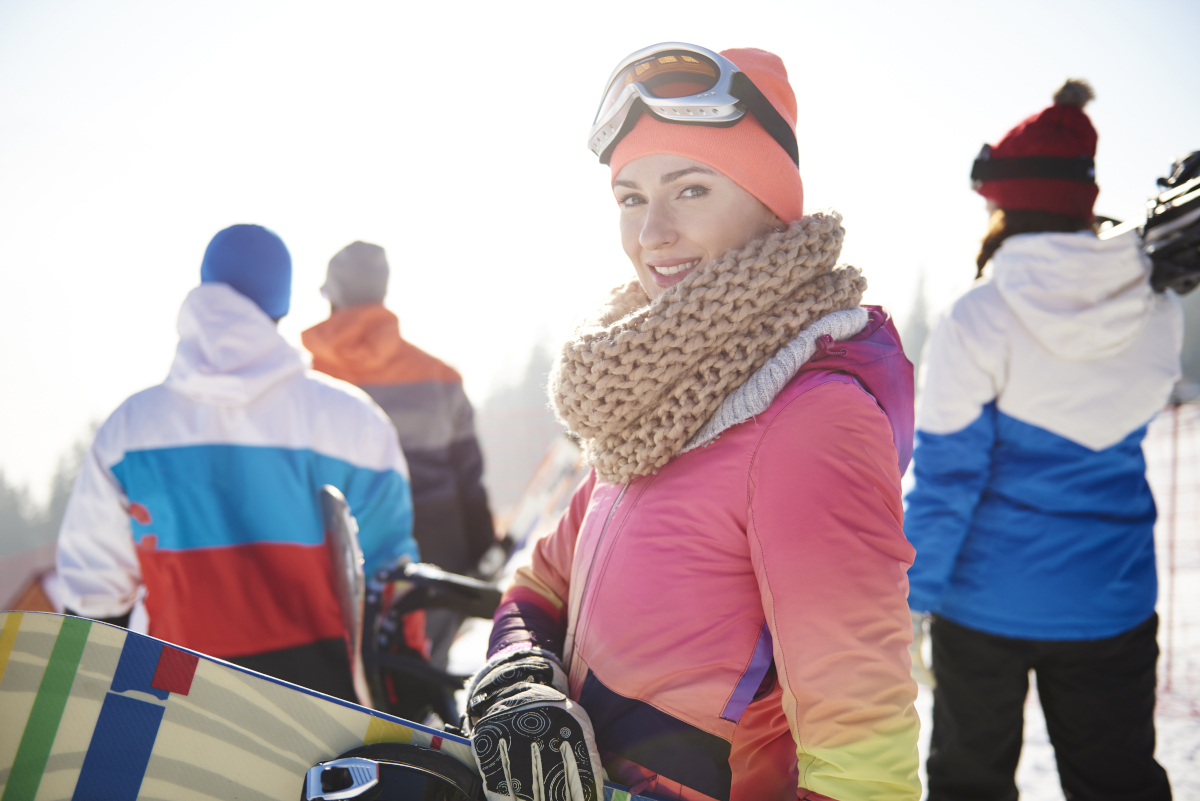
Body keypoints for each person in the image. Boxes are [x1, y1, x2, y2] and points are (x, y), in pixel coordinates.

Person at [464, 44, 921, 801]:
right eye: (631, 198)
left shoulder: (812, 420)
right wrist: (520, 673)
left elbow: (865, 752)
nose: (652, 233)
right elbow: (542, 580)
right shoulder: (651, 403)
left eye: (693, 188)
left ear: (772, 204)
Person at [905, 81, 1181, 800]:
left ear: (1002, 208)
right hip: (1110, 600)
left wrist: (911, 599)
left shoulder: (979, 318)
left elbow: (946, 479)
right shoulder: (1156, 309)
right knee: (1117, 779)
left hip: (982, 606)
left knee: (969, 783)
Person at [56, 224, 418, 702]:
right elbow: (390, 586)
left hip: (176, 709)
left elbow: (94, 598)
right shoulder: (354, 423)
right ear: (282, 305)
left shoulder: (128, 431)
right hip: (327, 719)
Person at [302, 241, 497, 670]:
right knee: (425, 679)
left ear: (332, 295)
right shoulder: (440, 377)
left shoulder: (307, 383)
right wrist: (484, 551)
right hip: (438, 552)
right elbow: (470, 478)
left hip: (340, 554)